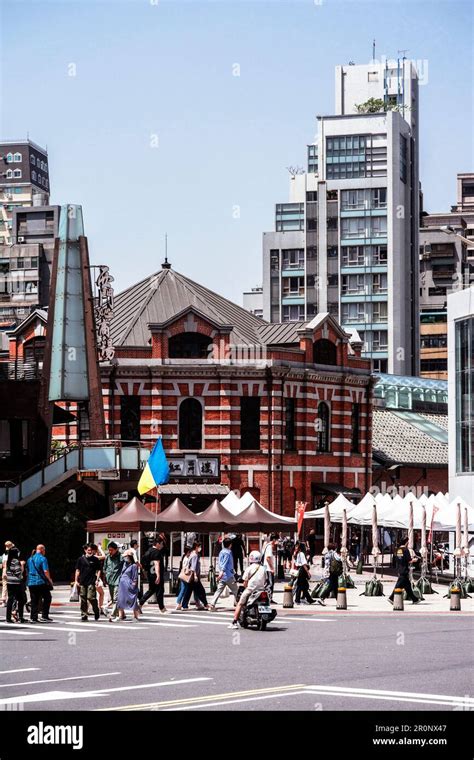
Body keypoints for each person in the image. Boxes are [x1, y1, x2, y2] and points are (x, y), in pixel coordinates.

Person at [229, 550, 266, 629]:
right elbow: (265, 580)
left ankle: (234, 622)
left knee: (240, 603)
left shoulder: (249, 568)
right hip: (262, 590)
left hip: (251, 590)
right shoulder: (263, 568)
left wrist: (246, 586)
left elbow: (245, 582)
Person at [388, 537, 421, 605]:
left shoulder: (397, 550)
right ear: (406, 542)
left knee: (407, 586)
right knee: (398, 585)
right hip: (404, 570)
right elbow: (409, 560)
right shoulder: (405, 550)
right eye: (408, 542)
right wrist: (414, 560)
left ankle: (415, 599)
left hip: (399, 569)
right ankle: (391, 598)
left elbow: (397, 560)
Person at [209, 537, 239, 610]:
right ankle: (239, 603)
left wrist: (221, 573)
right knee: (236, 590)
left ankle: (212, 604)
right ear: (230, 544)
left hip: (224, 576)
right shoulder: (228, 553)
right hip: (228, 575)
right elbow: (224, 564)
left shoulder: (222, 551)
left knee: (219, 590)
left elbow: (222, 563)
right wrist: (222, 572)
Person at [139, 536, 167, 613]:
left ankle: (140, 603)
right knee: (160, 591)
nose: (162, 546)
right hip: (156, 575)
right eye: (161, 544)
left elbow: (142, 564)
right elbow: (156, 563)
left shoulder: (148, 551)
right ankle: (162, 608)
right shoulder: (156, 552)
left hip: (150, 575)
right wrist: (158, 575)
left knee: (151, 590)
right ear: (157, 544)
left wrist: (145, 573)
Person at [26, 544, 53, 623]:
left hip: (31, 582)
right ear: (42, 550)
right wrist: (50, 580)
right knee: (47, 597)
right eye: (44, 550)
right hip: (40, 581)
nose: (45, 552)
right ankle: (44, 615)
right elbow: (45, 571)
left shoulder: (30, 559)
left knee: (34, 599)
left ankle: (33, 617)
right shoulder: (43, 559)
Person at [74, 543, 101, 622]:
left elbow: (99, 570)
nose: (90, 551)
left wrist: (97, 579)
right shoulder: (80, 559)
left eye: (91, 550)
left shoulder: (95, 559)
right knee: (83, 599)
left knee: (91, 597)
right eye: (88, 550)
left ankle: (96, 611)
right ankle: (84, 615)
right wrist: (76, 580)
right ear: (85, 550)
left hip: (91, 581)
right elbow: (77, 570)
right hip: (82, 581)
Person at [112, 549, 141, 621]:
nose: (124, 558)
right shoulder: (124, 564)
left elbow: (135, 577)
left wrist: (133, 586)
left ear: (129, 557)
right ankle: (120, 616)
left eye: (126, 556)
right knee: (120, 600)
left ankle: (135, 616)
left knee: (132, 600)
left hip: (129, 585)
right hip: (122, 585)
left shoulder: (134, 566)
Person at [181, 542, 209, 610]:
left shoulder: (192, 554)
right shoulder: (195, 555)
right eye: (199, 546)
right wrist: (196, 576)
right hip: (193, 577)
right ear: (196, 547)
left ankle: (184, 605)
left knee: (188, 591)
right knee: (201, 591)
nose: (200, 548)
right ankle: (206, 604)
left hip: (191, 576)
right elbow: (193, 567)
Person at [3, 547, 27, 623]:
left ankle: (8, 618)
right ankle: (21, 617)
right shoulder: (16, 561)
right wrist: (22, 565)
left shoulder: (8, 561)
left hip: (9, 582)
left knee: (10, 599)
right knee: (21, 599)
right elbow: (18, 572)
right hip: (16, 583)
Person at [103, 542, 123, 619]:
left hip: (118, 580)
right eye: (109, 550)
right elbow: (105, 569)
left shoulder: (120, 557)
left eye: (111, 550)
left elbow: (126, 565)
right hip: (110, 581)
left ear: (115, 550)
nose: (110, 551)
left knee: (116, 598)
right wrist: (104, 580)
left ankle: (113, 614)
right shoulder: (107, 557)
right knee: (112, 598)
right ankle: (118, 614)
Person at [262, 533, 278, 603]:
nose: (278, 541)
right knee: (270, 584)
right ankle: (268, 598)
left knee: (268, 583)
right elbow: (268, 558)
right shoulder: (269, 547)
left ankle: (268, 598)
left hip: (266, 568)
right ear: (274, 539)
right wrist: (272, 568)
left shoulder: (267, 546)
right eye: (277, 540)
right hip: (268, 568)